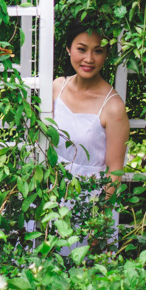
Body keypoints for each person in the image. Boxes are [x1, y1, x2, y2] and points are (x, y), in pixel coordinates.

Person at [51, 19, 130, 252]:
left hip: (91, 201)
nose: (89, 59)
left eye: (98, 51)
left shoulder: (113, 107)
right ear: (68, 49)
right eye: (81, 49)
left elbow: (115, 171)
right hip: (51, 191)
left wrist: (100, 222)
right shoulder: (57, 88)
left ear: (107, 55)